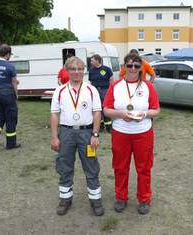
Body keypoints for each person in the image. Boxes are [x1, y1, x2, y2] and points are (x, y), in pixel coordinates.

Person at [103, 53, 160, 215]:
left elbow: (156, 110)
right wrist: (121, 115)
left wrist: (144, 114)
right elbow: (106, 109)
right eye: (130, 65)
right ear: (124, 67)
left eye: (136, 65)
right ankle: (121, 197)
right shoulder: (115, 85)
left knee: (144, 168)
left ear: (141, 67)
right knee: (120, 167)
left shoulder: (148, 86)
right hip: (121, 132)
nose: (133, 69)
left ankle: (144, 199)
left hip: (143, 133)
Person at [50, 56, 104, 216]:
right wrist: (54, 136)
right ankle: (65, 199)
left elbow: (97, 112)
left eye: (80, 69)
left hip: (87, 133)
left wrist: (95, 134)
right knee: (64, 166)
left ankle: (96, 201)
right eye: (73, 69)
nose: (77, 72)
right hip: (66, 133)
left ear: (84, 71)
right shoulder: (59, 91)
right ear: (67, 71)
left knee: (91, 166)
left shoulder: (91, 89)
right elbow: (54, 114)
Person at [0, 44, 20, 151]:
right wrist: (16, 95)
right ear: (7, 54)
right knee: (11, 118)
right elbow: (14, 82)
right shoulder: (10, 66)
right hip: (8, 94)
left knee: (0, 118)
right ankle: (11, 144)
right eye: (10, 54)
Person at [89, 54, 113, 132]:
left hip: (104, 90)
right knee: (97, 108)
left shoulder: (107, 69)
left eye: (92, 60)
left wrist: (110, 91)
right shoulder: (91, 70)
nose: (91, 62)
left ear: (97, 60)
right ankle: (100, 126)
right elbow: (91, 82)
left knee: (105, 108)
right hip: (95, 91)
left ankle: (109, 126)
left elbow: (111, 81)